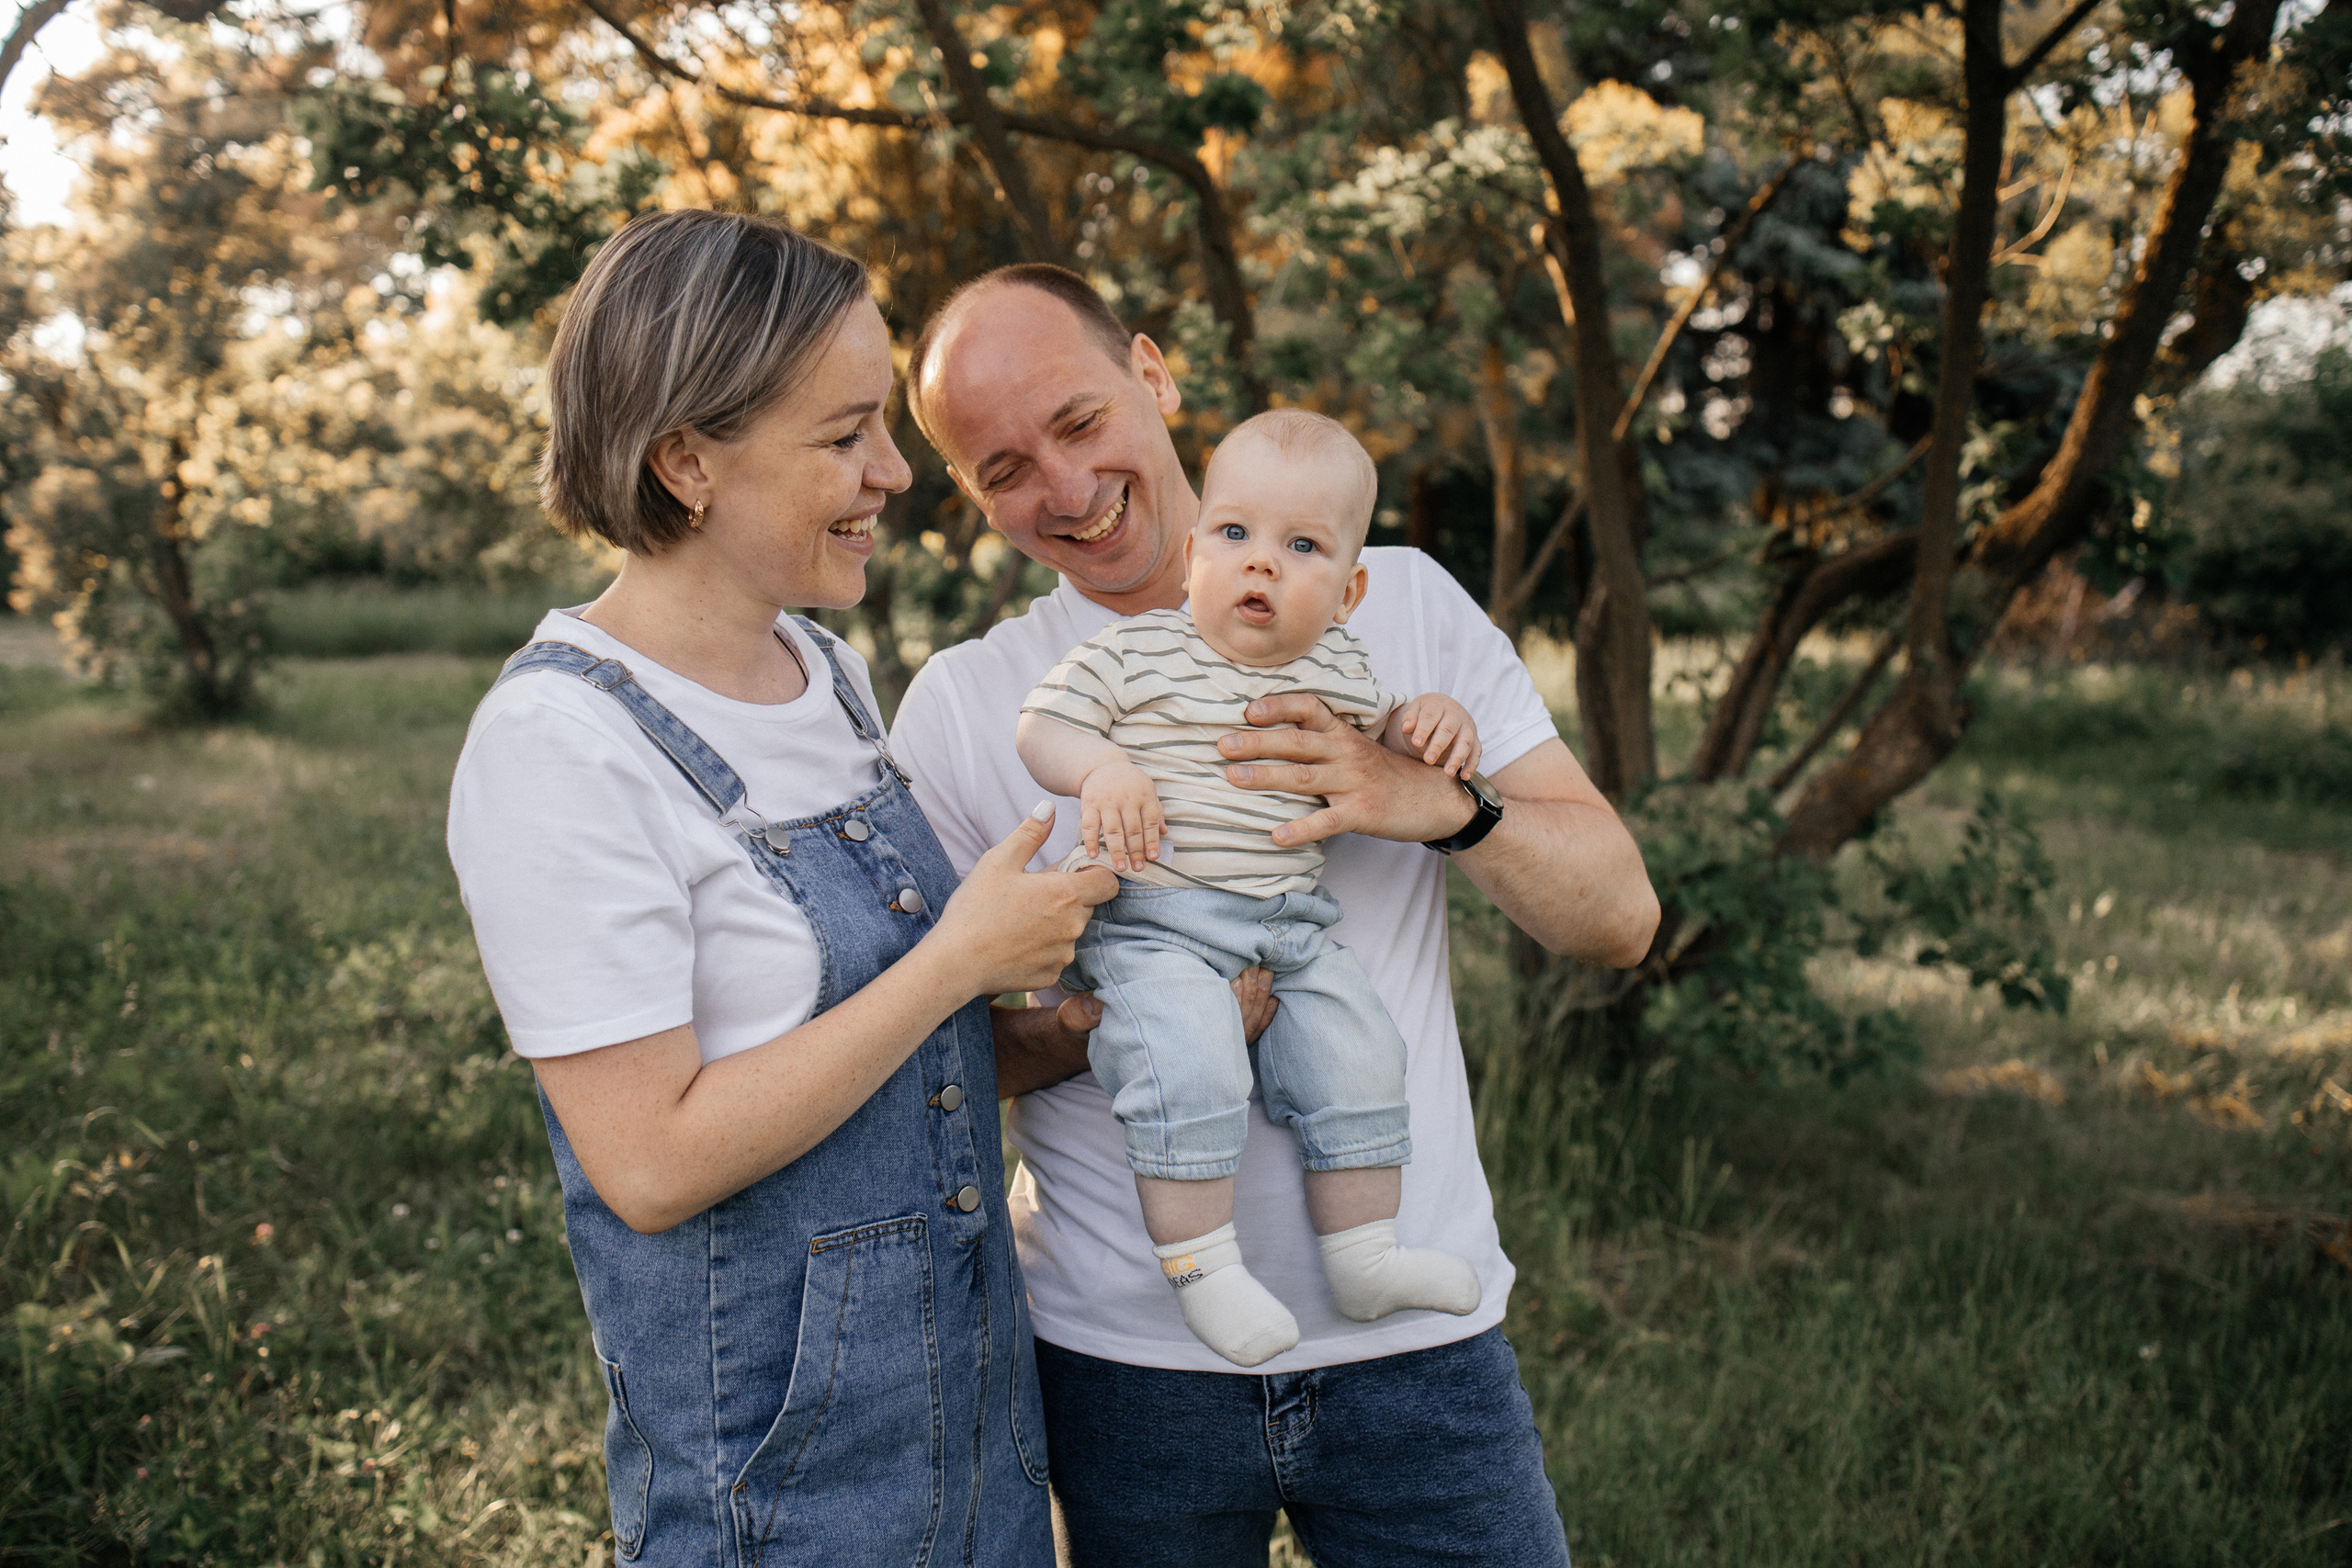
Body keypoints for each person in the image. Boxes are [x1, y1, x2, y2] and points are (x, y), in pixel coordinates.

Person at [890, 263, 1662, 1567]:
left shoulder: (1395, 600)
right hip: (1124, 1366)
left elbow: (1620, 916)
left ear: (1152, 370)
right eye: (1004, 469)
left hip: (1418, 1357)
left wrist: (1431, 801)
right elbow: (929, 1061)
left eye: (1080, 423)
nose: (1066, 492)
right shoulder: (974, 705)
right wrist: (1114, 1010)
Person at [446, 213, 1112, 1567]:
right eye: (843, 435)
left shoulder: (827, 671)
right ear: (686, 460)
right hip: (786, 1494)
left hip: (979, 1432)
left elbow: (865, 1074)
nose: (890, 473)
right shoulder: (560, 746)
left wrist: (1051, 1038)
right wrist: (957, 959)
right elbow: (652, 1160)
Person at [1015, 409, 1486, 1371]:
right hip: (1154, 919)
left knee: (1360, 1048)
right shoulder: (1138, 651)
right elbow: (1042, 727)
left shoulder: (1343, 671)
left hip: (1291, 926)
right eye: (1234, 535)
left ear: (1349, 592)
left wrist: (1429, 724)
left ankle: (1366, 1257)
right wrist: (1100, 769)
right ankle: (1202, 1267)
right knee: (1186, 1052)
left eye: (1301, 545)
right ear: (1192, 555)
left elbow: (1390, 744)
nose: (1260, 563)